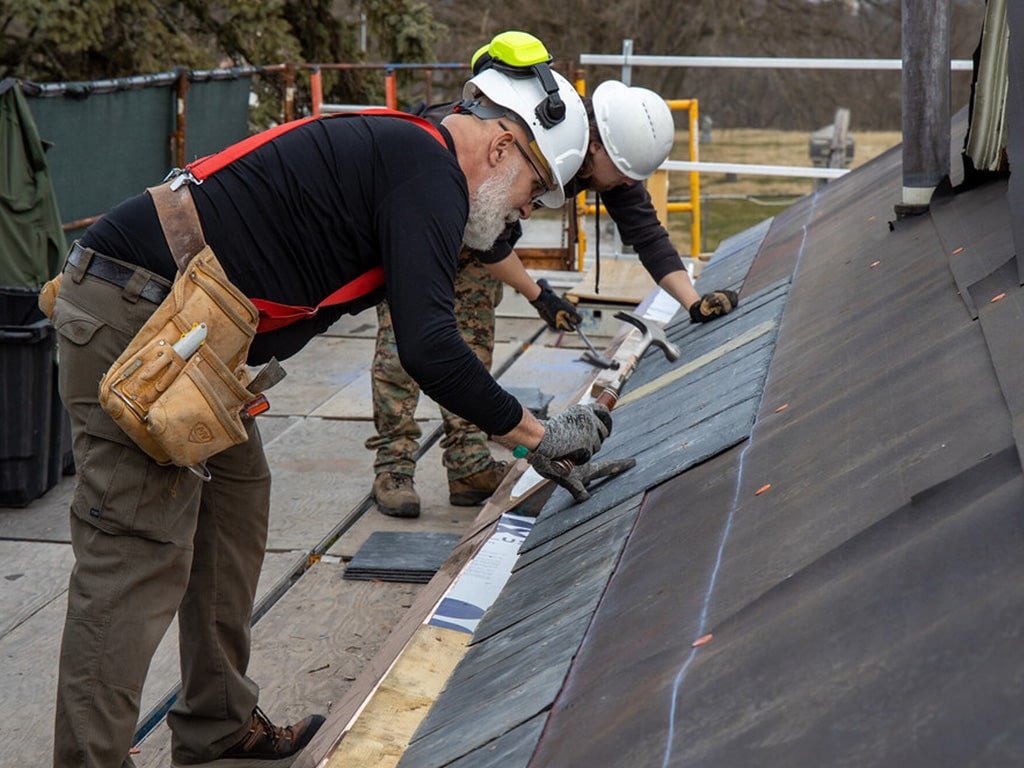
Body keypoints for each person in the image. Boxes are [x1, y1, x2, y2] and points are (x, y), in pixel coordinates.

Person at [48, 59, 608, 768]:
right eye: (535, 189)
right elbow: (431, 345)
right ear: (502, 146)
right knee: (135, 552)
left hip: (186, 335)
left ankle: (215, 721)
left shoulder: (419, 163)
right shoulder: (428, 171)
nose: (528, 210)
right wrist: (536, 436)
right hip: (138, 317)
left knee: (235, 504)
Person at [367, 35, 738, 519]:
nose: (625, 186)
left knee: (469, 354)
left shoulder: (610, 158)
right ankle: (393, 466)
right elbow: (490, 240)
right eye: (622, 176)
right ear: (595, 145)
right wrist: (539, 293)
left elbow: (647, 234)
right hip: (421, 226)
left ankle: (468, 464)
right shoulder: (539, 130)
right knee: (405, 350)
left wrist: (693, 301)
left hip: (479, 237)